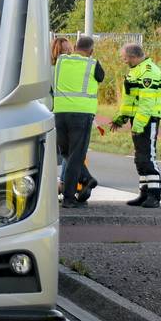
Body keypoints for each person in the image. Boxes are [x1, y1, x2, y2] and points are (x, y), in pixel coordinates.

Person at [111, 42, 161, 207]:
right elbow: (129, 100)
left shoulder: (149, 72)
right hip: (138, 119)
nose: (124, 61)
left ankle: (154, 196)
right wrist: (121, 118)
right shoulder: (135, 71)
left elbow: (146, 103)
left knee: (148, 156)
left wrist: (139, 125)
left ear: (133, 56)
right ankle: (144, 192)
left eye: (125, 58)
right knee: (140, 158)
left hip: (147, 119)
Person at [52, 36, 103, 206]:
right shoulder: (93, 63)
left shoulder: (60, 61)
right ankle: (68, 198)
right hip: (81, 115)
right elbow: (101, 77)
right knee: (75, 155)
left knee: (66, 152)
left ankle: (87, 179)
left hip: (60, 113)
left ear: (74, 47)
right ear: (91, 51)